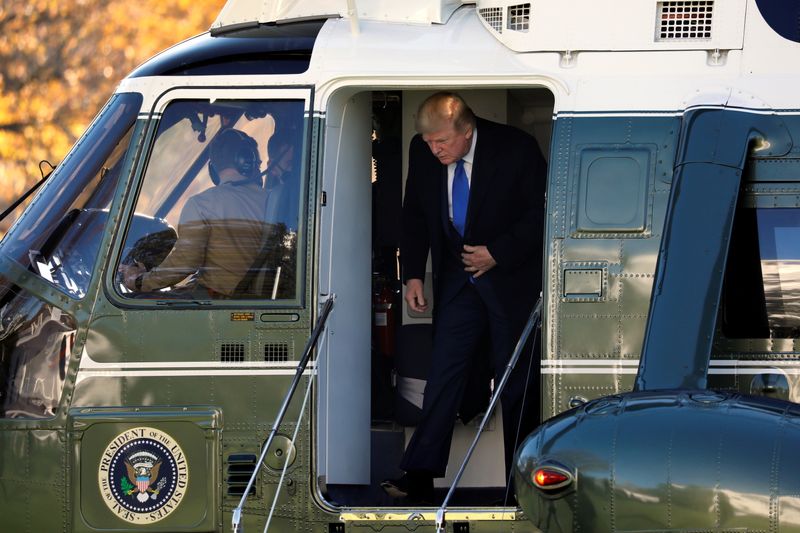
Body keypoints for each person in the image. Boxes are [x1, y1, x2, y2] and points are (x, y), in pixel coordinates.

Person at [382, 92, 546, 502]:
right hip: (458, 282)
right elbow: (414, 215)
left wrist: (498, 252)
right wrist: (414, 275)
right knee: (443, 373)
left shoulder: (516, 149)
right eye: (428, 141)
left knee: (515, 382)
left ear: (467, 131)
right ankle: (419, 474)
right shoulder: (424, 153)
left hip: (510, 282)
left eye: (442, 141)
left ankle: (521, 483)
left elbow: (543, 213)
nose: (434, 149)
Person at [120, 128, 272, 298]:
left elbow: (185, 263)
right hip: (260, 299)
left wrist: (140, 281)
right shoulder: (273, 201)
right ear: (247, 162)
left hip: (221, 302)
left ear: (212, 170)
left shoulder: (203, 204)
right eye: (258, 163)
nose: (259, 169)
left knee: (135, 300)